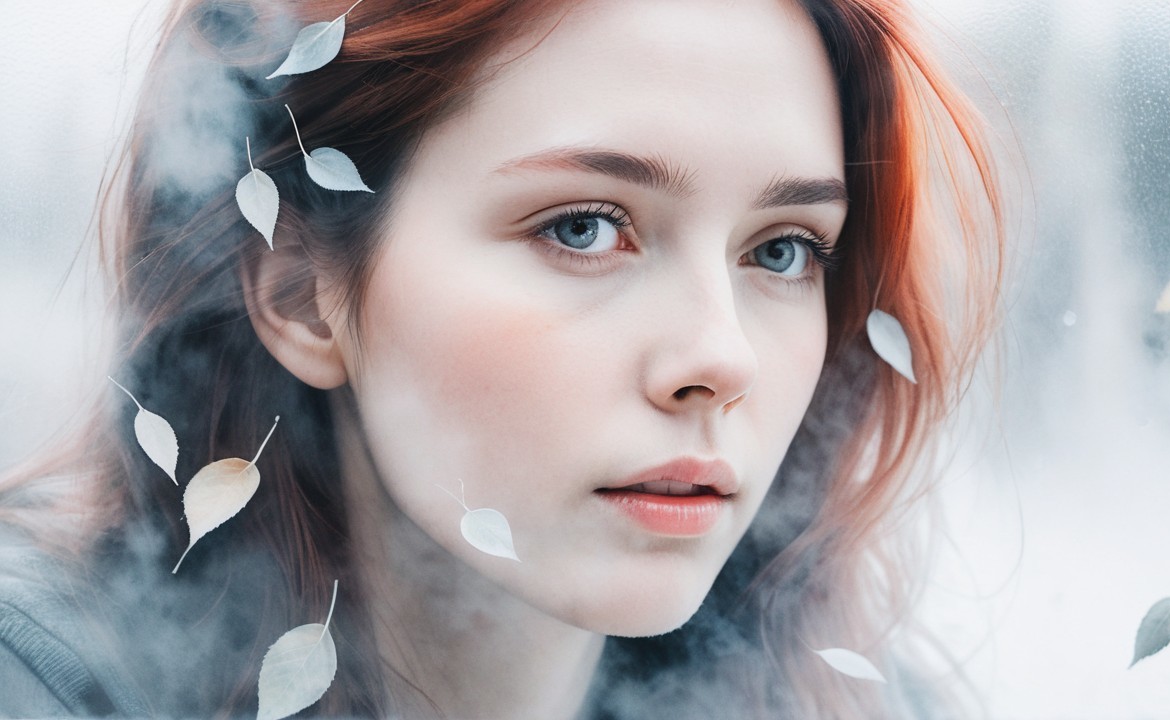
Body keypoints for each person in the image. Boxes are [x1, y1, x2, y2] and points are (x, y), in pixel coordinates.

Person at [0, 0, 1005, 717]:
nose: (719, 356)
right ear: (301, 292)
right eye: (581, 228)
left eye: (782, 249)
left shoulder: (851, 701)